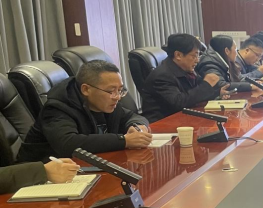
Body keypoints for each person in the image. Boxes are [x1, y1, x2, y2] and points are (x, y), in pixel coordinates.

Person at [18, 61, 151, 162]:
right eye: (111, 91)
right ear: (86, 89)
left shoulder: (105, 103)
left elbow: (132, 116)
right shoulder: (57, 108)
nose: (117, 97)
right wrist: (124, 140)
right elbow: (68, 144)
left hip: (85, 167)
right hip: (41, 177)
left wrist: (137, 126)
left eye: (120, 90)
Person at [141, 33, 233, 123]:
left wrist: (217, 93)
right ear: (178, 55)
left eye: (198, 55)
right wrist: (206, 85)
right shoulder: (162, 76)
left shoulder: (185, 69)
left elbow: (195, 92)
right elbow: (179, 102)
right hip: (163, 124)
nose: (197, 60)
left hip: (182, 119)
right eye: (194, 56)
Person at [196, 35, 262, 94]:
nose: (237, 53)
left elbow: (239, 77)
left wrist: (254, 82)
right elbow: (222, 85)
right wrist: (249, 86)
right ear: (227, 51)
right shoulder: (209, 63)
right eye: (235, 49)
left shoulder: (225, 60)